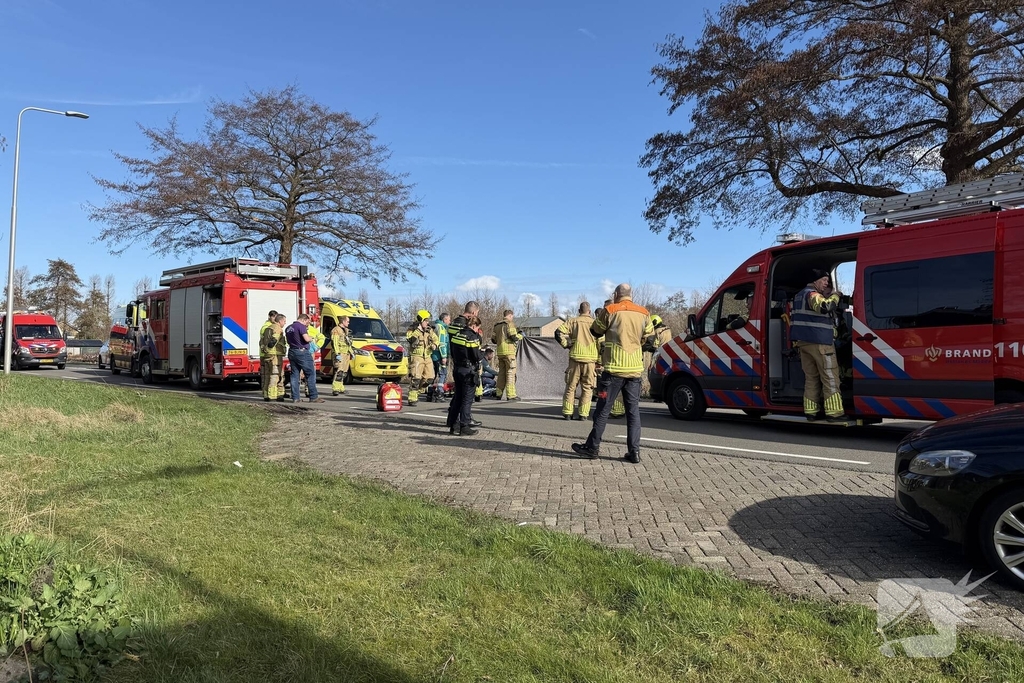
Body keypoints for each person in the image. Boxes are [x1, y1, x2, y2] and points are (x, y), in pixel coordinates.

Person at [572, 283, 653, 464]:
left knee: (602, 410)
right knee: (633, 413)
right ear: (631, 294)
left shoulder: (610, 310)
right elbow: (648, 337)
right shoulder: (644, 312)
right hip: (634, 371)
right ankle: (634, 452)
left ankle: (592, 448)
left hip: (613, 370)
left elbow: (595, 330)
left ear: (616, 294)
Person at [791, 268, 844, 422]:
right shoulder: (812, 294)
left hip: (803, 343)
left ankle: (811, 412)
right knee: (830, 377)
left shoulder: (798, 296)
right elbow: (825, 307)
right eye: (824, 280)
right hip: (820, 344)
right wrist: (835, 295)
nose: (826, 283)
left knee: (811, 378)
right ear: (815, 281)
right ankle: (835, 413)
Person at [556, 301, 598, 420]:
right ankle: (583, 414)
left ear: (579, 311)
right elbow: (602, 343)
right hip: (590, 361)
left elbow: (558, 333)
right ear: (589, 312)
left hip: (575, 359)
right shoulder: (595, 323)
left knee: (571, 387)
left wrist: (566, 344)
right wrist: (599, 360)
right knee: (587, 388)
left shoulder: (572, 321)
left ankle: (568, 413)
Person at [447, 315, 484, 436]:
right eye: (477, 328)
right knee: (467, 400)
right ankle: (464, 426)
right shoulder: (471, 337)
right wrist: (482, 352)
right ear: (474, 325)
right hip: (468, 371)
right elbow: (476, 356)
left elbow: (452, 351)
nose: (477, 330)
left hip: (457, 368)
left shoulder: (457, 335)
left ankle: (453, 425)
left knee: (457, 398)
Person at [449, 301, 484, 402]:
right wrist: (478, 335)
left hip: (456, 359)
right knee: (465, 398)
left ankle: (458, 415)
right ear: (473, 312)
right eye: (477, 313)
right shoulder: (465, 325)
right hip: (468, 361)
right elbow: (473, 340)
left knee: (459, 394)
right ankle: (465, 416)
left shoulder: (454, 323)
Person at [285, 313, 324, 403]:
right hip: (302, 352)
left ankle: (295, 398)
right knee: (310, 373)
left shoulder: (288, 328)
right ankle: (313, 397)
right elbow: (306, 339)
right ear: (303, 319)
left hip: (292, 351)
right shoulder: (301, 327)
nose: (308, 324)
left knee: (295, 375)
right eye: (308, 322)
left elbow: (288, 341)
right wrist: (311, 338)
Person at [405, 309, 439, 405]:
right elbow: (410, 340)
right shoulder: (412, 329)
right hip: (416, 357)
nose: (427, 322)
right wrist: (418, 330)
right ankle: (412, 398)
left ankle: (418, 391)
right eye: (426, 320)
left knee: (430, 378)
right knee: (416, 378)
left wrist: (434, 345)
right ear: (421, 320)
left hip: (427, 357)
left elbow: (436, 339)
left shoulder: (429, 330)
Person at [492, 309, 523, 401]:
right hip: (509, 352)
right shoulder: (510, 323)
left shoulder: (496, 326)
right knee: (510, 373)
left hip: (500, 352)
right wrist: (521, 335)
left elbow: (493, 340)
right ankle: (511, 395)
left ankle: (498, 393)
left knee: (501, 373)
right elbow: (513, 336)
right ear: (510, 315)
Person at [259, 313, 287, 401]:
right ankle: (273, 395)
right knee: (275, 376)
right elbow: (273, 341)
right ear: (280, 321)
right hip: (275, 355)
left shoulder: (268, 328)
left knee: (267, 376)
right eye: (284, 321)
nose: (285, 323)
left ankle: (266, 394)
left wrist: (265, 349)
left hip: (267, 356)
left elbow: (261, 341)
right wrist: (269, 348)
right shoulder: (277, 329)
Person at [330, 315, 354, 396]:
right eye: (347, 321)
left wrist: (351, 352)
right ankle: (335, 388)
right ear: (343, 321)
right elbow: (335, 343)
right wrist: (337, 353)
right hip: (340, 353)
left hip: (346, 353)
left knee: (344, 372)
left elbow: (347, 343)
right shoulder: (336, 330)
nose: (349, 323)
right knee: (339, 371)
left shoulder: (346, 330)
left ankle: (341, 387)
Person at [432, 312, 451, 391]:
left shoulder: (436, 326)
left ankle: (430, 392)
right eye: (449, 320)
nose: (450, 322)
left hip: (434, 355)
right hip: (439, 355)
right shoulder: (441, 328)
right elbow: (442, 343)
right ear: (444, 319)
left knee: (433, 374)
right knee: (442, 373)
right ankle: (440, 392)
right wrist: (444, 356)